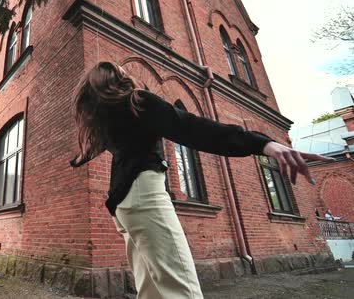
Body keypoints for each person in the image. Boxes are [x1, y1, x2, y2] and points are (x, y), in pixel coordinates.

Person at [70, 62, 333, 299]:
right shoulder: (138, 101)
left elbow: (88, 155)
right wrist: (264, 144)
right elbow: (193, 128)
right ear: (119, 78)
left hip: (124, 206)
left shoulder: (105, 120)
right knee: (181, 289)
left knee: (153, 291)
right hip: (144, 197)